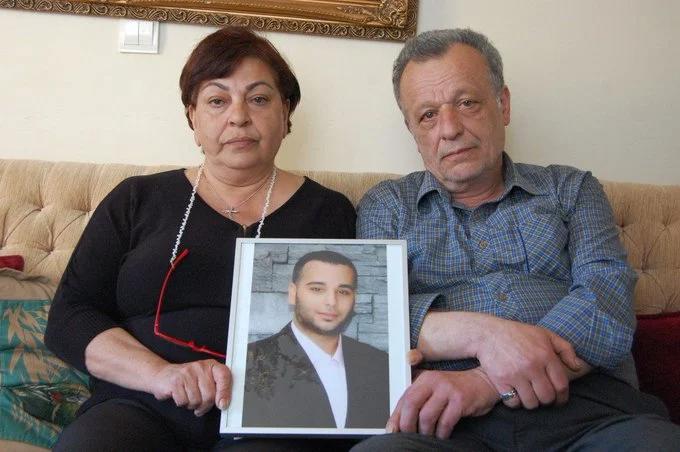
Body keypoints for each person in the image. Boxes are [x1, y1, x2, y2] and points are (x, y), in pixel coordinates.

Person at [353, 28, 680, 450]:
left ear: (502, 104)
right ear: (412, 130)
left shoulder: (571, 189)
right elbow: (370, 322)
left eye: (467, 103)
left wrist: (486, 380)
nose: (449, 129)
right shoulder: (386, 206)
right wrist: (484, 335)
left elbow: (606, 299)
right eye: (428, 115)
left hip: (590, 411)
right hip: (447, 426)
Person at [44, 27, 357, 452]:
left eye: (259, 99)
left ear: (286, 112)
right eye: (217, 100)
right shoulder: (137, 199)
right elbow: (70, 318)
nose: (239, 116)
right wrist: (161, 375)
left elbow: (350, 333)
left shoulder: (330, 212)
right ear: (192, 117)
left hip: (274, 418)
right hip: (141, 403)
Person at [243, 250, 389, 429]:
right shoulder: (250, 361)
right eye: (317, 289)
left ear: (354, 299)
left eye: (343, 291)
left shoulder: (380, 363)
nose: (331, 302)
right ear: (293, 293)